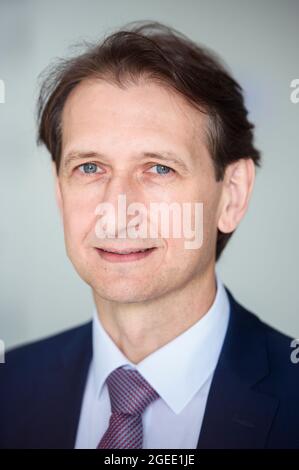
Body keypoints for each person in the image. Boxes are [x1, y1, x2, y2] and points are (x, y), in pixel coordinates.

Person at [0, 21, 298, 449]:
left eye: (159, 168)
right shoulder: (9, 386)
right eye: (90, 168)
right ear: (59, 192)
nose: (118, 208)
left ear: (231, 195)